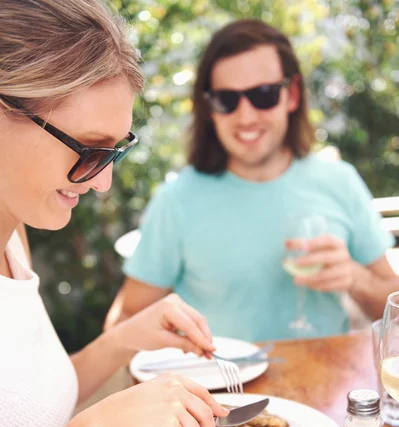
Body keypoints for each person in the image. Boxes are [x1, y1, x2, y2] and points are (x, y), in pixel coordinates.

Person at [0, 1, 229, 427]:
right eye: (89, 148)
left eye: (115, 151)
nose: (102, 181)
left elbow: (20, 404)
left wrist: (125, 337)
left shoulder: (11, 238)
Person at [108, 19, 398, 342]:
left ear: (292, 95)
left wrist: (355, 278)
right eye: (226, 100)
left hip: (325, 388)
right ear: (209, 108)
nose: (245, 116)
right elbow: (124, 322)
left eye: (263, 95)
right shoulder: (176, 200)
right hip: (222, 390)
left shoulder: (340, 182)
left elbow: (393, 310)